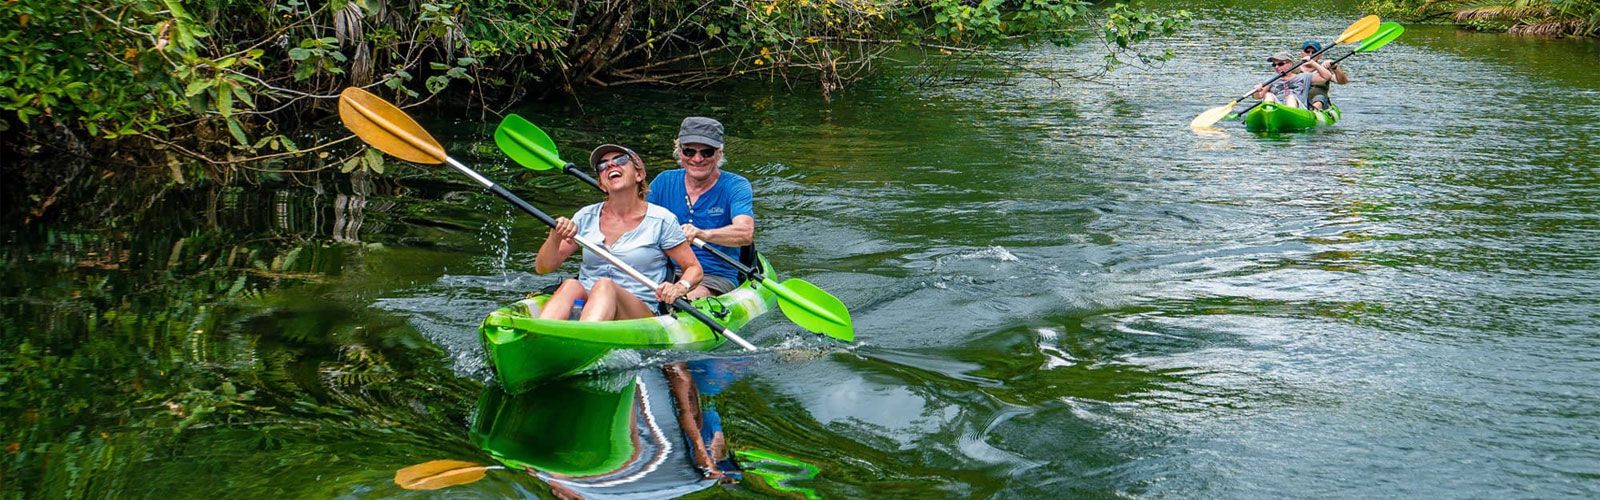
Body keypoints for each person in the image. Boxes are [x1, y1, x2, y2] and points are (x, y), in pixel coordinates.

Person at [534, 144, 704, 321]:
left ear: (639, 175)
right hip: (587, 301)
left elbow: (694, 268)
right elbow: (543, 268)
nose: (610, 165)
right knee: (570, 285)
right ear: (602, 184)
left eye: (621, 160)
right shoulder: (585, 216)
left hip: (639, 310)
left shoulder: (662, 220)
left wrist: (680, 287)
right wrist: (555, 236)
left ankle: (584, 337)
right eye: (602, 165)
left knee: (605, 285)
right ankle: (540, 335)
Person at [647, 117, 756, 299]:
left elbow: (745, 234)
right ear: (679, 152)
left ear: (719, 153)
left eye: (706, 152)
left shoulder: (736, 186)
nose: (697, 159)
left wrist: (703, 234)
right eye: (689, 151)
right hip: (663, 272)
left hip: (712, 277)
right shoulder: (663, 181)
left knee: (684, 300)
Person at [1253, 51, 1335, 109]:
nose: (1277, 67)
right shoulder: (1271, 80)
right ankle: (1269, 113)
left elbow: (1327, 76)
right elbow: (1257, 97)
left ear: (1290, 64)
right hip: (1278, 109)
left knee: (1291, 97)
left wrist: (1313, 63)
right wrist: (1256, 90)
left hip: (1299, 109)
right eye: (1274, 64)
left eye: (1280, 64)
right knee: (1268, 95)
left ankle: (1290, 115)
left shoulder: (1304, 77)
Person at [1299, 40, 1350, 111]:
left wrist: (1335, 68)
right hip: (1299, 100)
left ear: (1320, 56)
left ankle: (1314, 113)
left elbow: (1343, 81)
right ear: (1301, 54)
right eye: (1307, 51)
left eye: (1314, 52)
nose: (1310, 54)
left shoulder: (1324, 70)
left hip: (1319, 102)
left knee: (1319, 98)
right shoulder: (1293, 69)